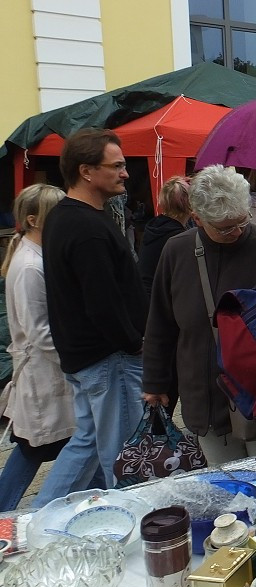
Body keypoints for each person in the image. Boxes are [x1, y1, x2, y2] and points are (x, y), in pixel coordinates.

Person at [140, 165, 256, 489]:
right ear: (197, 218)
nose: (236, 232)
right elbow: (161, 324)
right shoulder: (176, 252)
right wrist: (155, 382)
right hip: (204, 395)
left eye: (242, 221)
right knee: (230, 490)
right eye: (224, 228)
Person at [33, 129, 147, 504]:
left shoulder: (66, 218)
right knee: (123, 458)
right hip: (108, 359)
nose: (125, 173)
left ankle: (37, 521)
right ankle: (126, 523)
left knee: (87, 442)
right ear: (86, 171)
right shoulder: (85, 227)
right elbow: (102, 303)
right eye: (116, 166)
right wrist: (134, 343)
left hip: (88, 358)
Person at [0, 185, 76, 510]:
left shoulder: (36, 256)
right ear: (33, 219)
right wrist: (76, 359)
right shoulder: (30, 267)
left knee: (42, 447)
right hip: (43, 376)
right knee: (38, 447)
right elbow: (39, 332)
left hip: (47, 376)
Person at [137, 176, 192, 296]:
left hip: (143, 296)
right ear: (189, 204)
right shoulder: (177, 237)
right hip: (156, 300)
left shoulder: (155, 226)